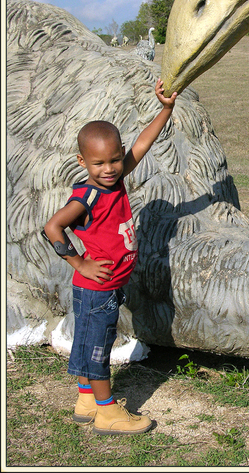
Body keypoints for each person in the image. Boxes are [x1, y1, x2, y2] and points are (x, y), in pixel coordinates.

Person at [43, 78, 177, 436]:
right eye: (99, 162)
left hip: (107, 288)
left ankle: (86, 399)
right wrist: (81, 262)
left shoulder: (115, 180)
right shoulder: (86, 196)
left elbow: (143, 145)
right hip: (95, 289)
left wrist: (166, 109)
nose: (110, 168)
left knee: (90, 342)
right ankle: (106, 411)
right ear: (82, 161)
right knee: (99, 348)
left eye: (115, 159)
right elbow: (53, 227)